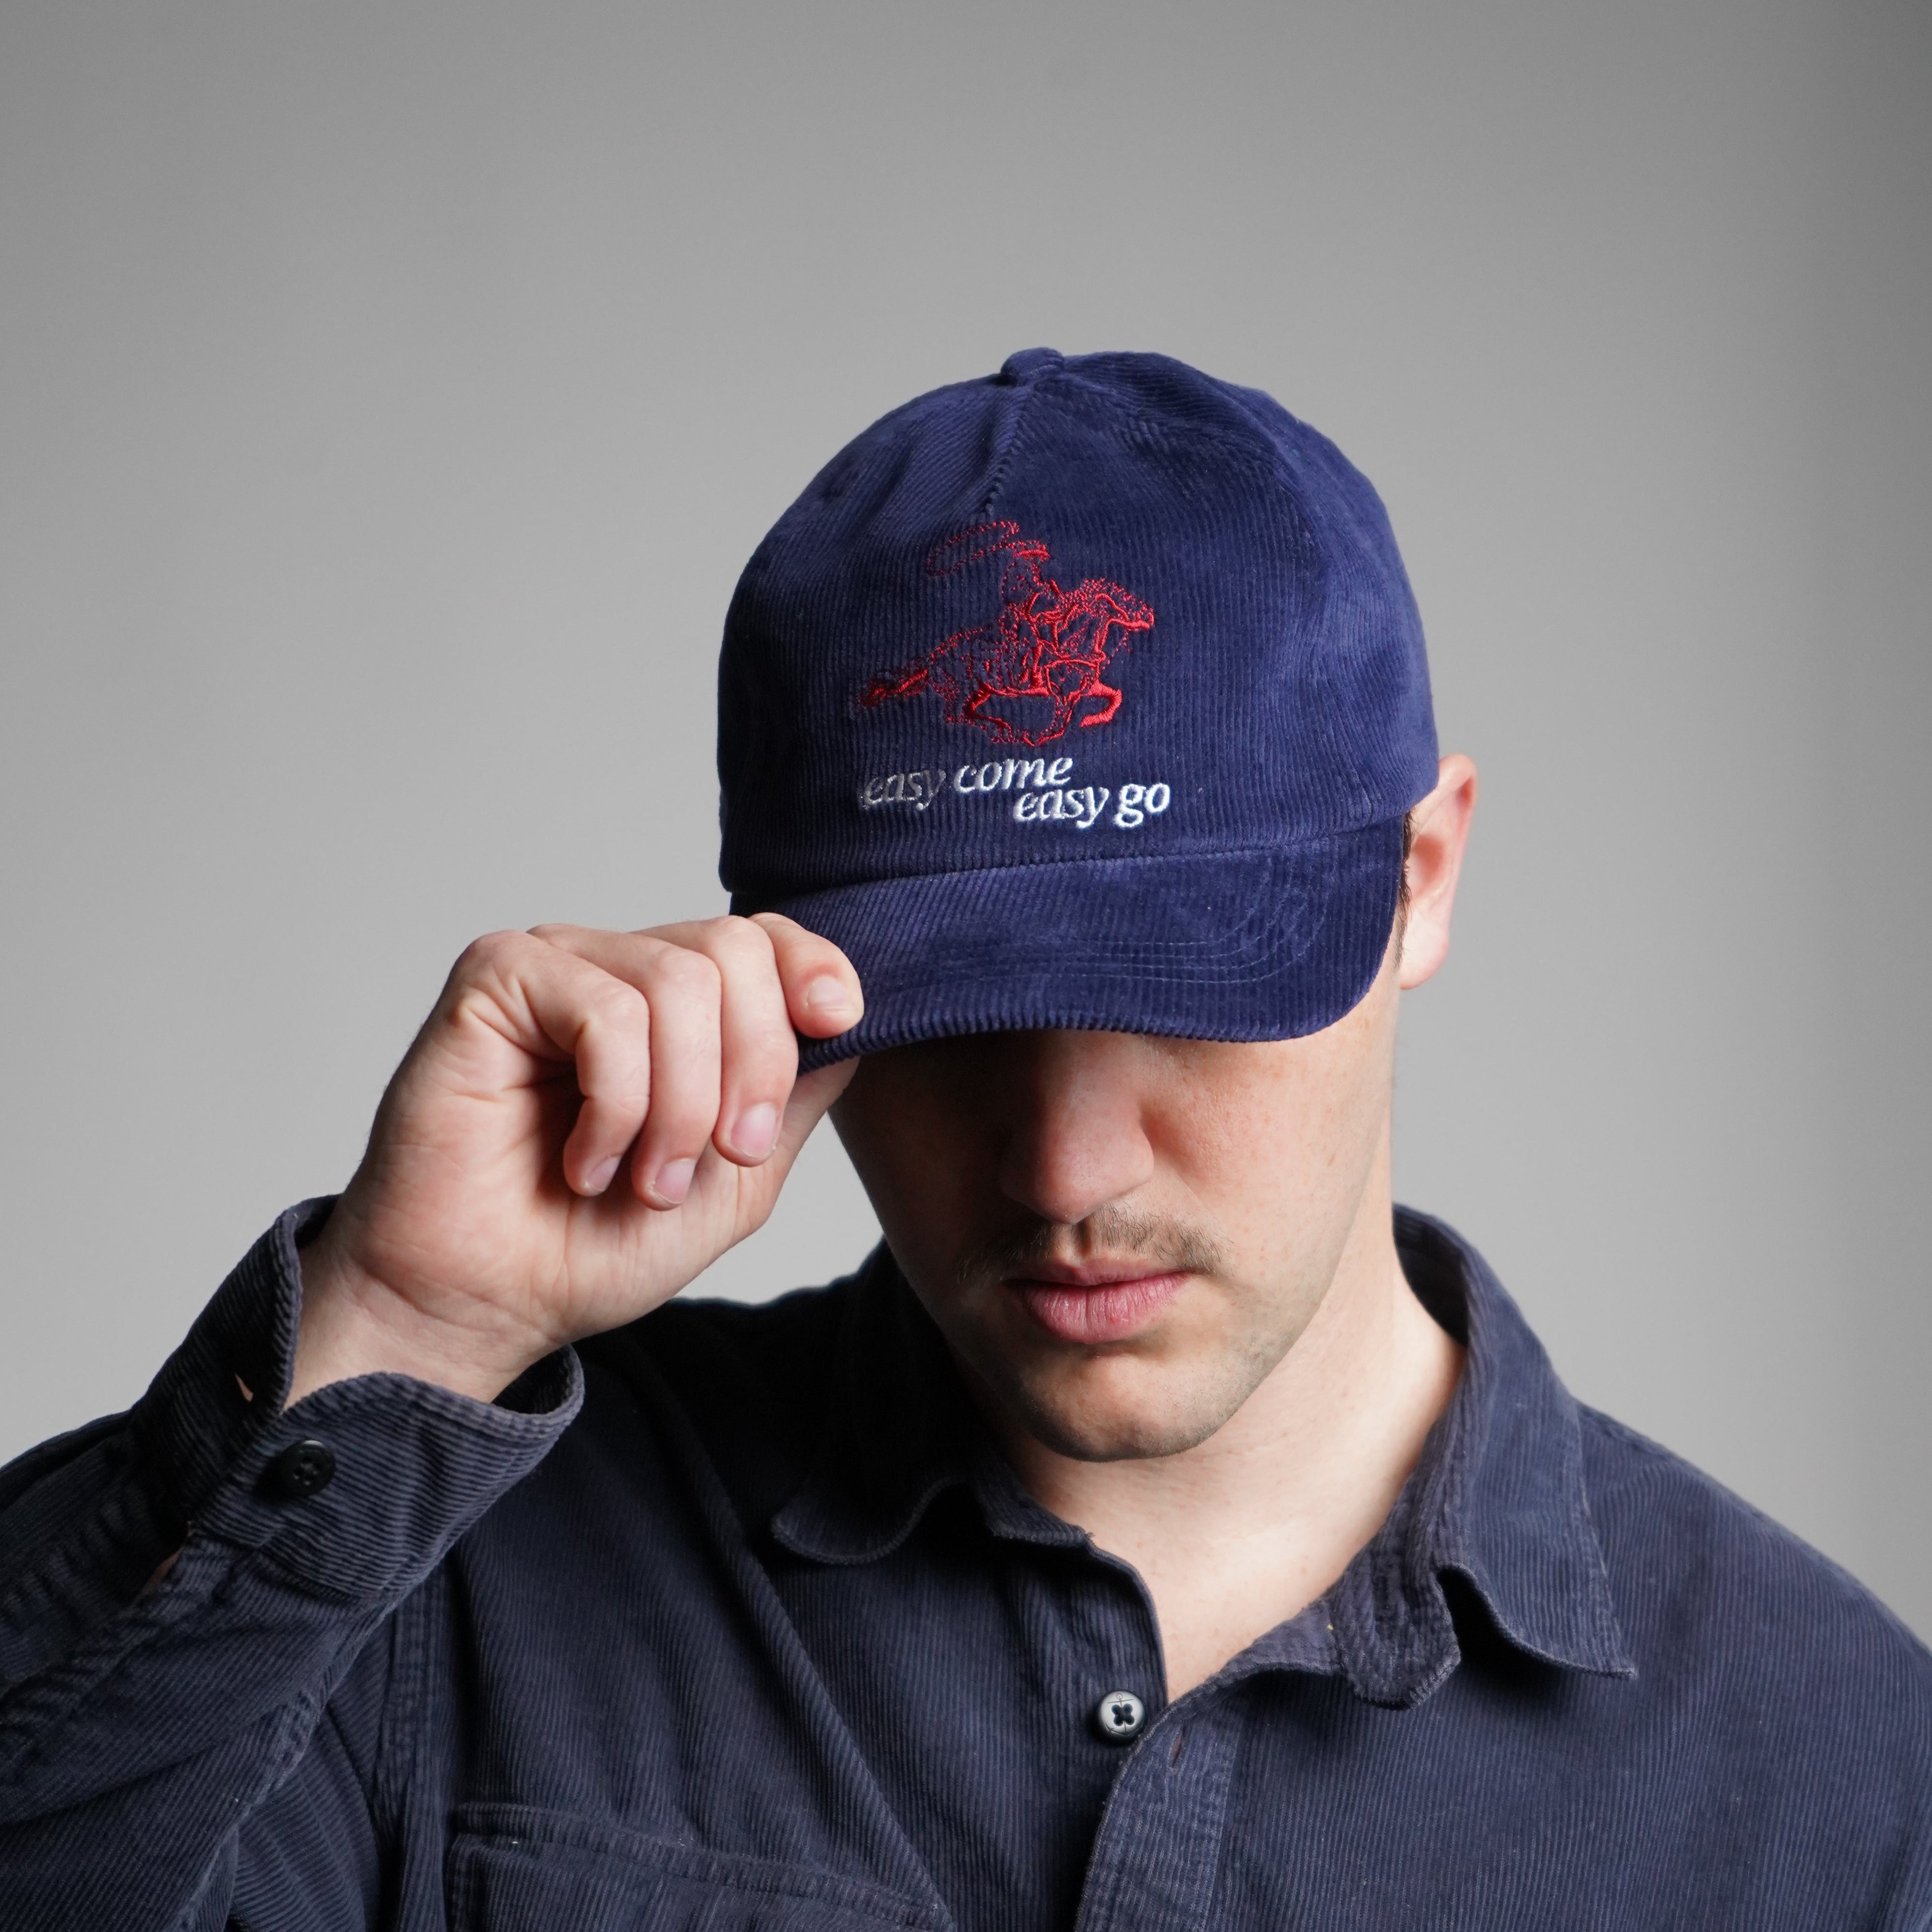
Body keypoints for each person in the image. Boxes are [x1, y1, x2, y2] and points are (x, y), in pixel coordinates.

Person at [1, 349, 1926, 1932]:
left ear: (1422, 878)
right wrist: (393, 1330)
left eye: (1189, 994)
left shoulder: (1839, 1777)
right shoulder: (454, 1591)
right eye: (943, 1024)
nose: (1066, 1174)